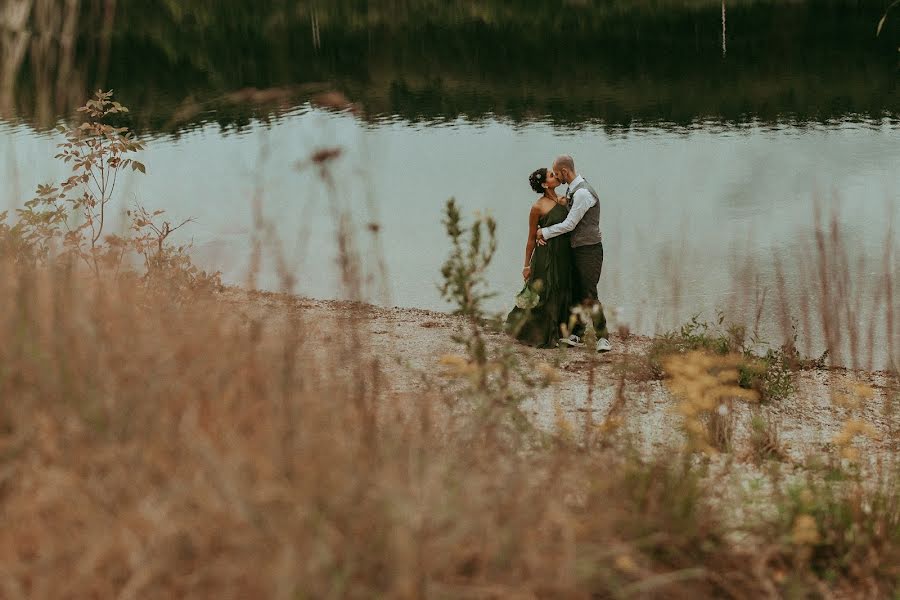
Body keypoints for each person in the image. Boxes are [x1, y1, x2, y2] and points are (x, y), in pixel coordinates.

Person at [536, 154, 611, 353]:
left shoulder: (583, 193)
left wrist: (544, 232)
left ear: (565, 172)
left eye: (556, 173)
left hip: (589, 250)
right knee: (577, 291)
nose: (556, 177)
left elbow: (570, 225)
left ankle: (603, 337)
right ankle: (577, 332)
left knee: (589, 293)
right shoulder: (573, 190)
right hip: (577, 249)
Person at [506, 168, 574, 348]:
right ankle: (538, 332)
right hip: (545, 255)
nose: (556, 176)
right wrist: (526, 265)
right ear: (545, 184)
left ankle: (561, 331)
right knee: (544, 292)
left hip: (564, 254)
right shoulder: (538, 207)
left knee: (563, 288)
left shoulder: (565, 200)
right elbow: (530, 238)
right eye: (552, 175)